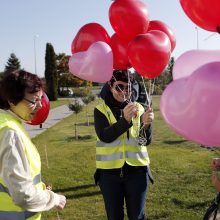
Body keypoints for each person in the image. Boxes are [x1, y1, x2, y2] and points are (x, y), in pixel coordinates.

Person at [0, 70, 66, 220]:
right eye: (33, 101)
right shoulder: (9, 132)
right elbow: (23, 195)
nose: (39, 106)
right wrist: (54, 198)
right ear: (11, 100)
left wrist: (39, 188)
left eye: (41, 99)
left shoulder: (5, 123)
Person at [94, 69, 154, 220]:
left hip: (137, 172)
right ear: (110, 86)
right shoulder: (101, 109)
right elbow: (104, 136)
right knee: (114, 216)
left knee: (137, 216)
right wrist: (125, 121)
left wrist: (146, 126)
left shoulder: (139, 108)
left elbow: (144, 141)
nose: (124, 91)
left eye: (128, 87)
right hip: (109, 174)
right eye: (119, 87)